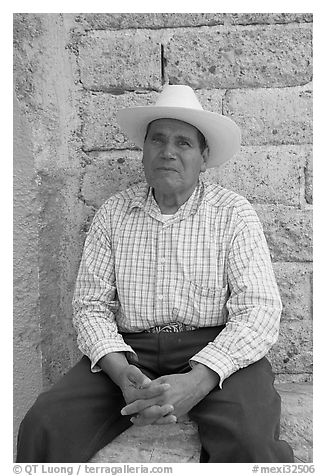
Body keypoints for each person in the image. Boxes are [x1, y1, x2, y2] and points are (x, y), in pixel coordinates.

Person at [16, 85, 294, 463]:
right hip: (131, 352)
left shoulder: (233, 213)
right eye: (158, 140)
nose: (168, 152)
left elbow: (258, 311)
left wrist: (199, 380)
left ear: (203, 157)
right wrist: (119, 371)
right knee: (43, 424)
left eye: (184, 143)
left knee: (252, 443)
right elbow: (89, 306)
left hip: (214, 348)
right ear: (143, 151)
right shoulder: (113, 214)